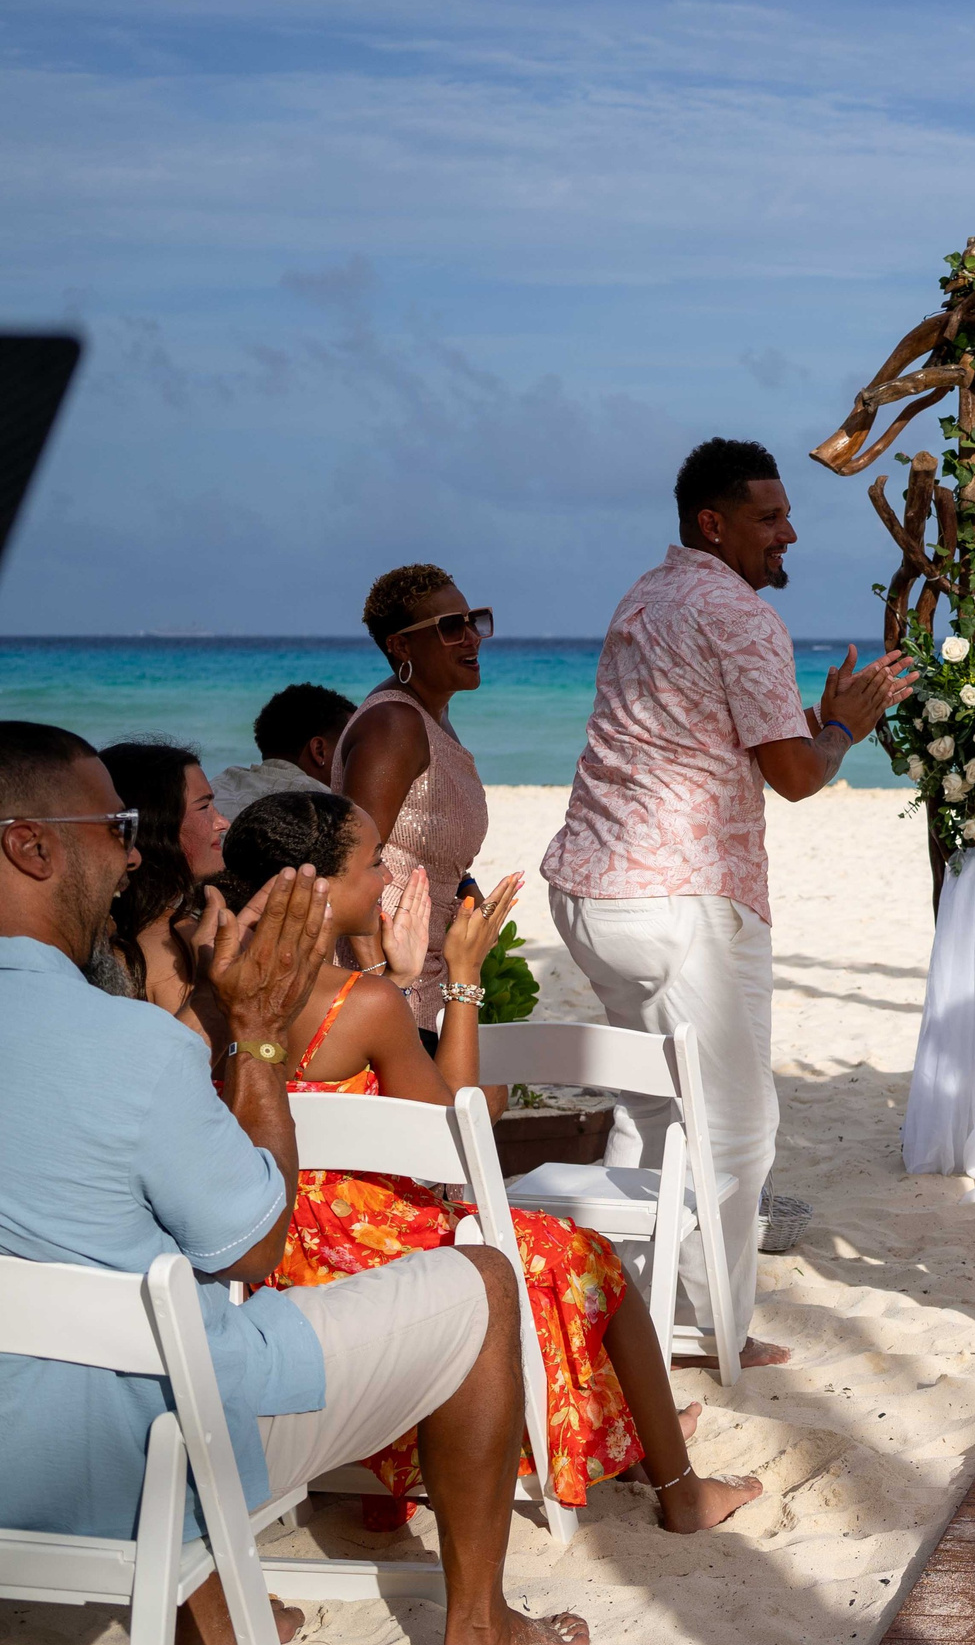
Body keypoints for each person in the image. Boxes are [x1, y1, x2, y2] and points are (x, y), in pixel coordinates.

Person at [0, 721, 591, 1645]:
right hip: (138, 1451)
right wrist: (262, 1042)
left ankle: (222, 1612)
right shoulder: (131, 1043)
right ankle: (481, 1626)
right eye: (115, 825)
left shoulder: (147, 1017)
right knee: (482, 1279)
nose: (129, 853)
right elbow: (253, 1243)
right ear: (29, 845)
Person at [211, 791, 760, 1535]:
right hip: (378, 1253)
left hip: (274, 1257)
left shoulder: (212, 993)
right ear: (317, 888)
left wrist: (396, 980)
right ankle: (681, 1490)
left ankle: (628, 1440)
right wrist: (460, 977)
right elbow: (454, 1141)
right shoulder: (359, 1004)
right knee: (596, 1262)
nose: (383, 877)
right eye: (371, 862)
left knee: (552, 1256)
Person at [544, 437, 911, 1372]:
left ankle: (628, 1311)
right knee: (739, 1127)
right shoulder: (737, 612)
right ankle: (713, 1332)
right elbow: (792, 774)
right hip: (682, 900)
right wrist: (841, 727)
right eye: (769, 518)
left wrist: (815, 724)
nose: (789, 534)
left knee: (650, 1109)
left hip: (590, 889)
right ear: (714, 524)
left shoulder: (645, 595)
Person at [338, 565, 493, 1043]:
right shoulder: (394, 725)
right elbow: (347, 862)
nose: (471, 638)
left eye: (474, 621)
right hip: (393, 980)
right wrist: (386, 992)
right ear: (401, 647)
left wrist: (464, 886)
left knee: (485, 1098)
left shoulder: (428, 717)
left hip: (429, 973)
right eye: (450, 628)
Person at [96, 739, 227, 1011]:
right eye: (204, 808)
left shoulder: (100, 936)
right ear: (155, 824)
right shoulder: (177, 949)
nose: (222, 823)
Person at [210, 683, 355, 821]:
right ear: (319, 751)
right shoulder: (330, 812)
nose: (360, 760)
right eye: (352, 748)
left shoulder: (213, 790)